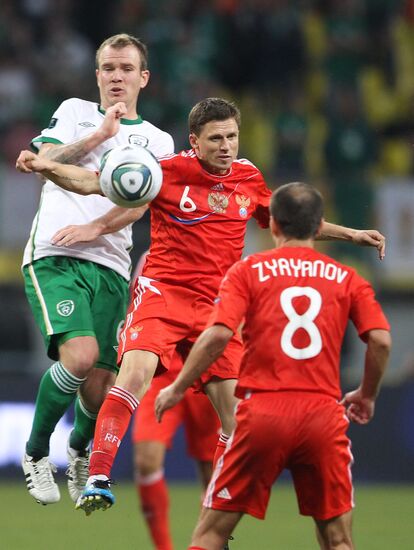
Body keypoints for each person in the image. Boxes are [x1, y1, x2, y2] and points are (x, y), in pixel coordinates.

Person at [16, 97, 386, 518]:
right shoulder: (166, 172)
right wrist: (46, 165)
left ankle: (219, 514)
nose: (226, 146)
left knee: (235, 417)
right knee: (134, 373)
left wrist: (353, 234)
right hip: (163, 294)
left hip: (217, 308)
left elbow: (295, 222)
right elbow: (90, 182)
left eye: (232, 136)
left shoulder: (248, 178)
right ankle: (99, 475)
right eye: (216, 138)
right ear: (195, 141)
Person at [154, 182, 391, 550]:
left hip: (261, 412)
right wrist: (368, 394)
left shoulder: (247, 271)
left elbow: (218, 335)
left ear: (274, 225)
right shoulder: (347, 277)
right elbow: (380, 340)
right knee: (337, 539)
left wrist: (178, 386)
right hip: (323, 416)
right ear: (317, 227)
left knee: (210, 534)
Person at [19, 33, 174, 506]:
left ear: (143, 77)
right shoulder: (73, 111)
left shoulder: (158, 141)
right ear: (97, 75)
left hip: (110, 264)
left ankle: (80, 449)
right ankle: (35, 452)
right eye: (108, 68)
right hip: (55, 254)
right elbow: (43, 161)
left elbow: (143, 205)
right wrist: (100, 136)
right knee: (81, 356)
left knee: (101, 384)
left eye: (126, 68)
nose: (117, 77)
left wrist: (97, 228)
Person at [131, 252, 220, 550]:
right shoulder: (150, 258)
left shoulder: (220, 252)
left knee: (212, 472)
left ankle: (209, 543)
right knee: (146, 460)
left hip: (206, 367)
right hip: (162, 370)